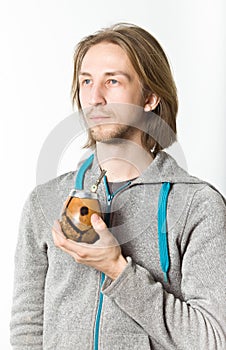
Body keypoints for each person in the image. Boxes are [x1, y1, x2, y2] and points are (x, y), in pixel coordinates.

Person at [10, 23, 226, 350]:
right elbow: (28, 323)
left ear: (150, 97)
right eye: (86, 82)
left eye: (112, 81)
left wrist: (116, 268)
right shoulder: (46, 200)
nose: (94, 98)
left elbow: (212, 338)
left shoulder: (197, 205)